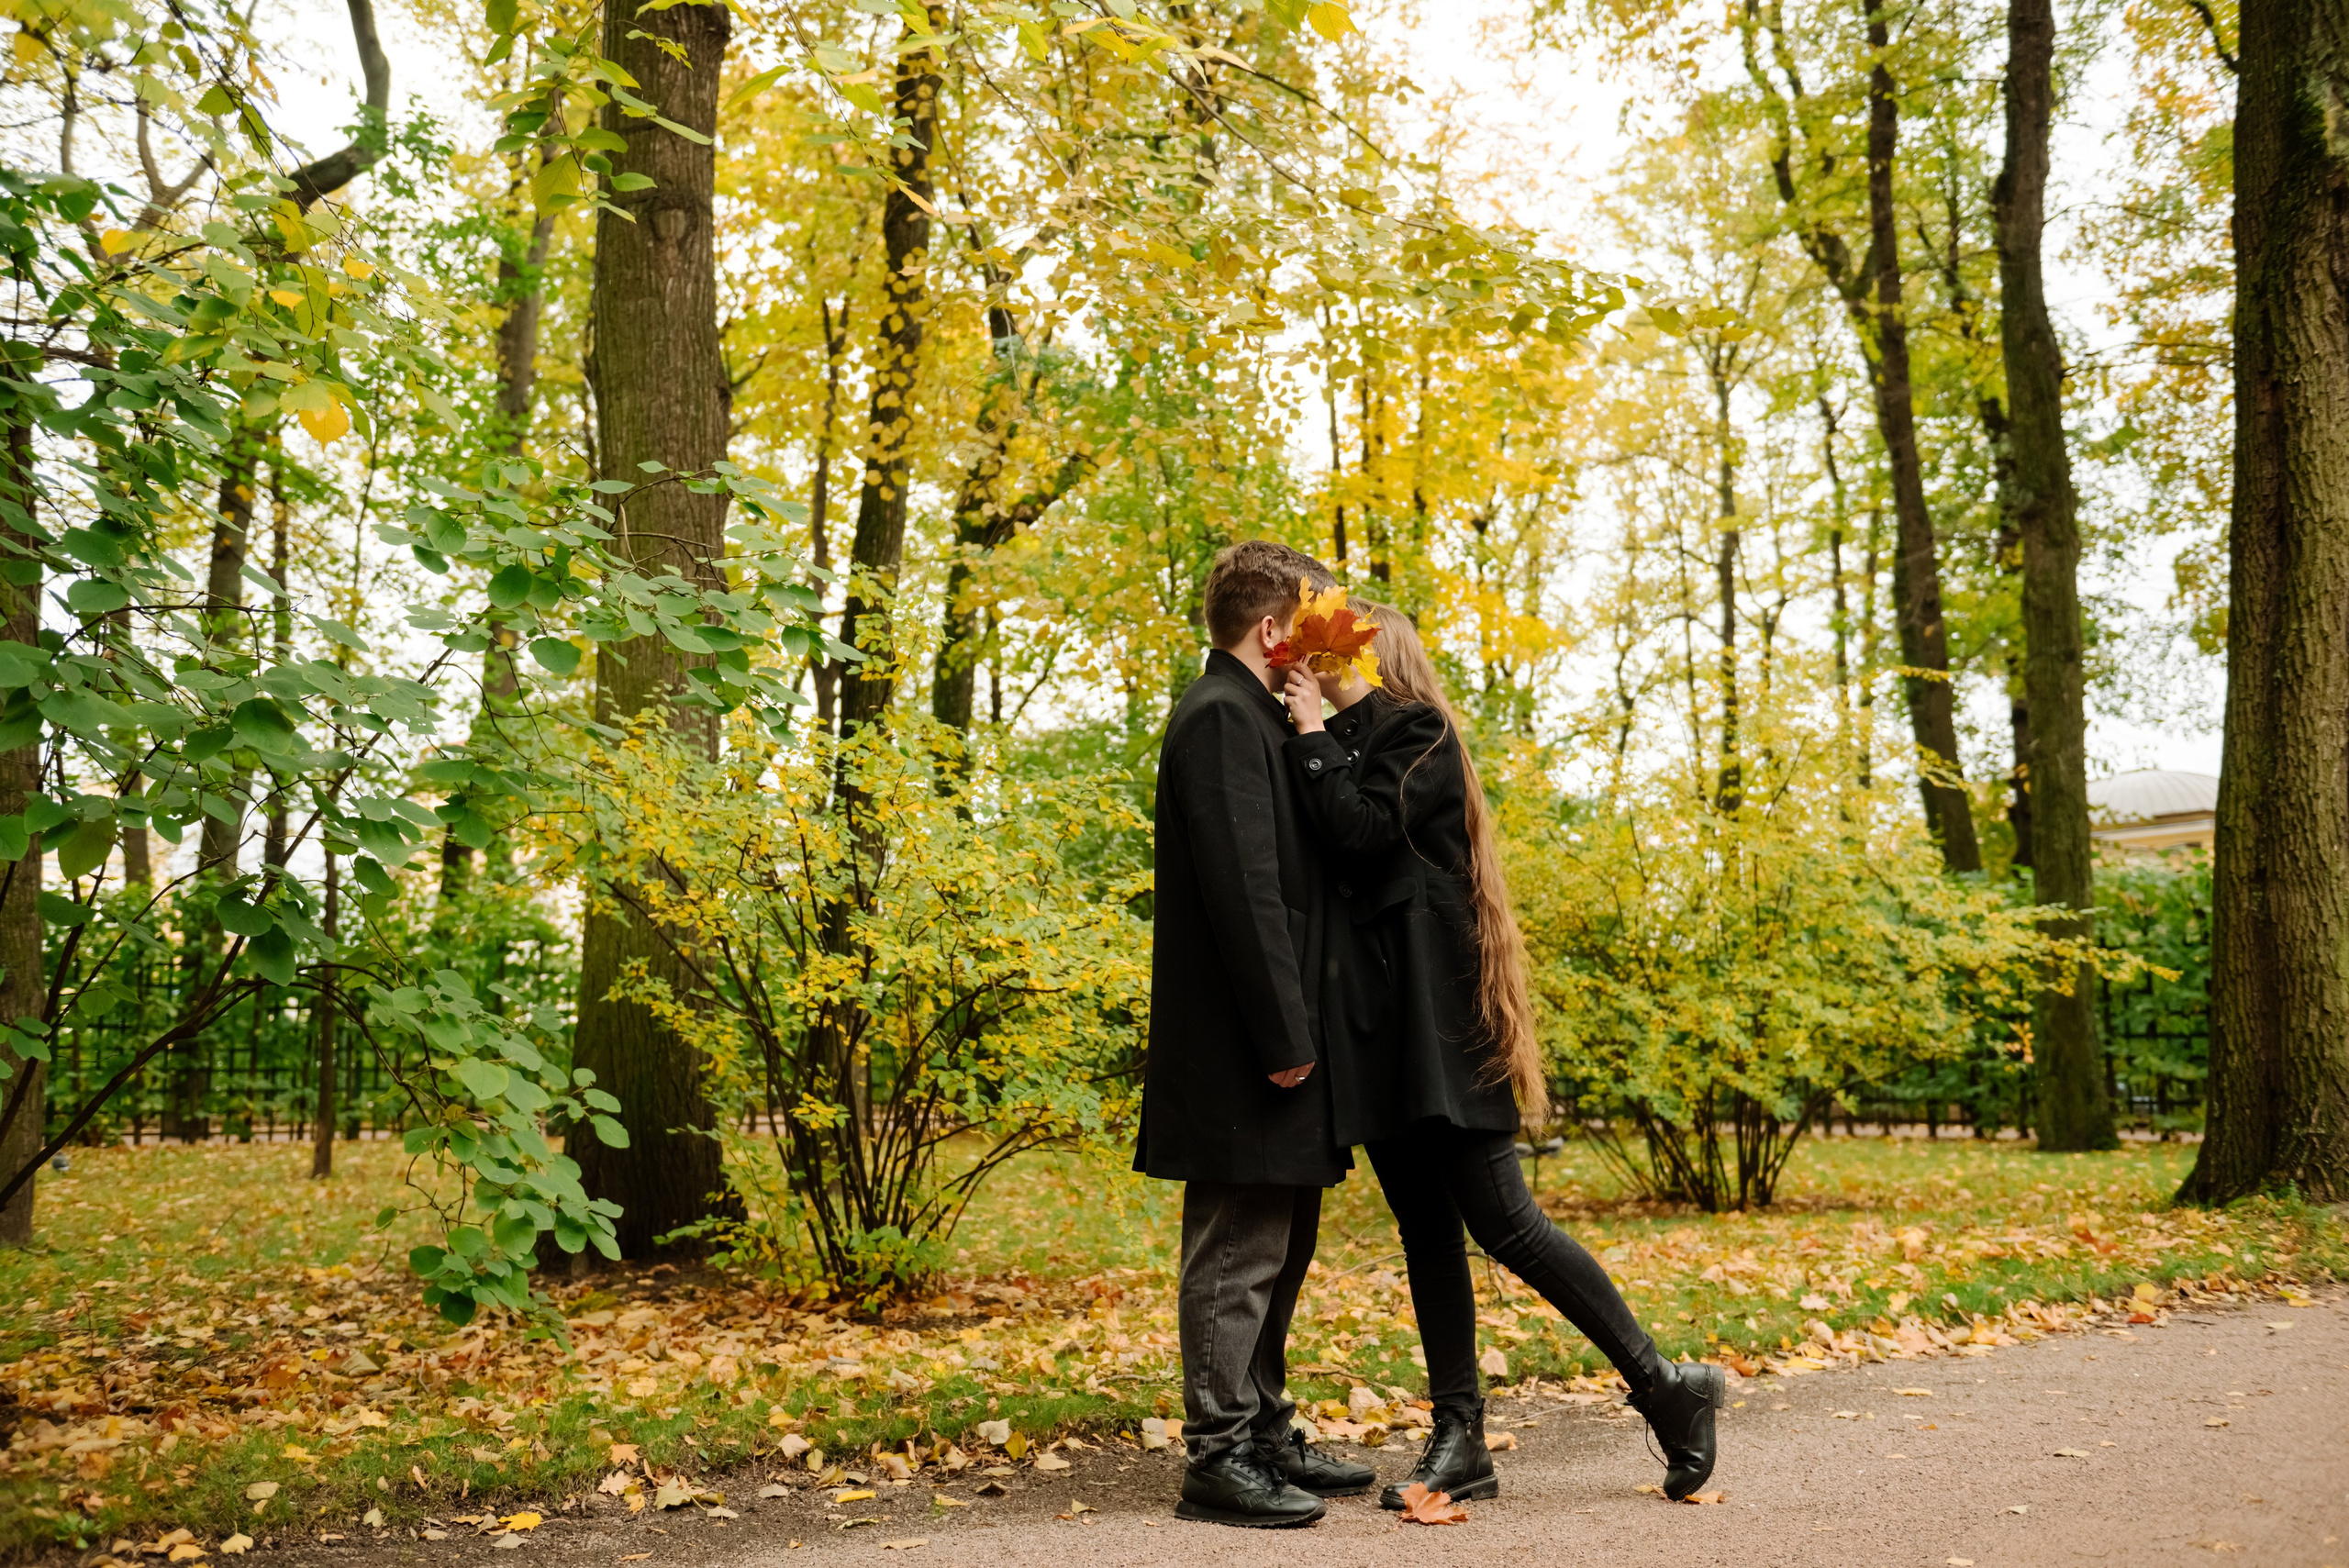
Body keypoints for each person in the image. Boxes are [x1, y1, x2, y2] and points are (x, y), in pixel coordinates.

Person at [1280, 599, 1726, 1505]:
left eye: (1334, 643)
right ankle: (1461, 1436)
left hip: (1440, 1026)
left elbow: (1361, 832)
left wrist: (1314, 728)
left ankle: (1665, 1387)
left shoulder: (1418, 732)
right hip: (1376, 1032)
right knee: (1427, 1232)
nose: (1314, 656)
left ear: (1372, 652)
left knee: (1506, 1220)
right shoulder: (1342, 739)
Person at [1138, 540, 1377, 1528]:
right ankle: (1218, 1450)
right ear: (1274, 628)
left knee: (1281, 1245)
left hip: (1284, 1035)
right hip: (1247, 1041)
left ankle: (1265, 1427)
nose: (1329, 636)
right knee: (1237, 1246)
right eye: (1314, 620)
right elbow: (1246, 891)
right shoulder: (1218, 719)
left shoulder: (1263, 715)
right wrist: (1284, 1030)